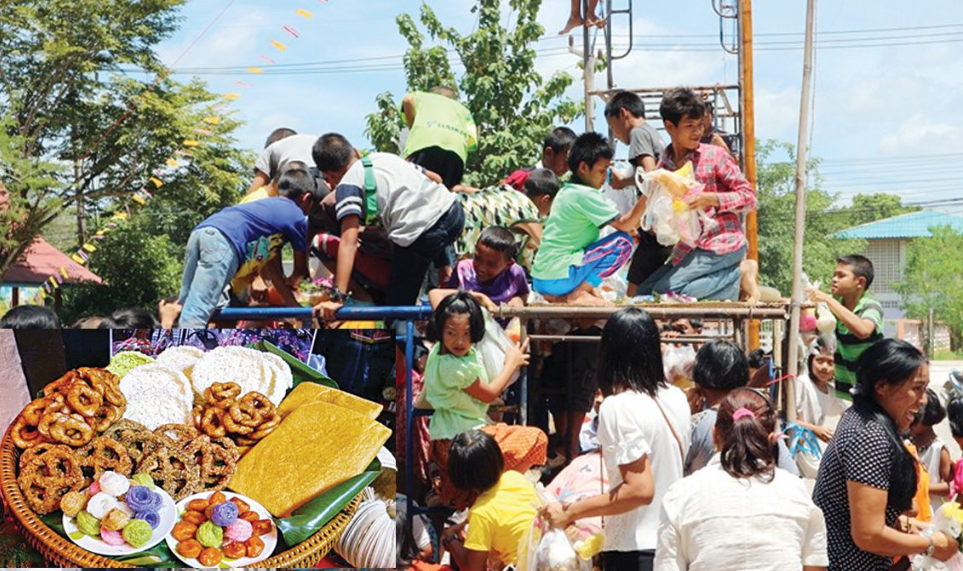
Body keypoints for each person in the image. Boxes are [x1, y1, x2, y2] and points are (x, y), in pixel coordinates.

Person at [542, 308, 690, 571]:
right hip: (674, 544)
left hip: (634, 551)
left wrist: (571, 511)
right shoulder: (677, 398)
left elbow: (639, 489)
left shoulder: (618, 406)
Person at [813, 339, 958, 570]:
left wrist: (900, 524)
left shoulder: (860, 418)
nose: (923, 401)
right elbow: (868, 535)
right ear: (882, 386)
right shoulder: (870, 436)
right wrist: (932, 546)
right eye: (916, 388)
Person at [655, 388, 829, 571]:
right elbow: (815, 566)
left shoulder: (680, 496)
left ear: (715, 435)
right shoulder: (797, 492)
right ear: (772, 439)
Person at [311, 134, 465, 321]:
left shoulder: (347, 185)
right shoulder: (384, 157)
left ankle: (407, 336)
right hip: (454, 213)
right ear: (356, 152)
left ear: (329, 176)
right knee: (429, 228)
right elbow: (436, 178)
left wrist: (338, 297)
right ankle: (444, 276)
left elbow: (348, 242)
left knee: (397, 308)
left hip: (423, 234)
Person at [421, 291, 545, 509]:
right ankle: (496, 495)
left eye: (466, 333)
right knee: (536, 439)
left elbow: (436, 293)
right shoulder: (455, 367)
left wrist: (475, 296)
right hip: (462, 439)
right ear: (441, 329)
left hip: (446, 436)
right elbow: (489, 394)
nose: (459, 341)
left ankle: (465, 494)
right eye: (451, 333)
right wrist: (511, 363)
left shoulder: (441, 350)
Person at [638, 88, 757, 302]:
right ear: (670, 127)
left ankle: (739, 275)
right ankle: (729, 283)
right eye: (690, 126)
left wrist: (712, 199)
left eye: (700, 125)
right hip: (689, 249)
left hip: (722, 243)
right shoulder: (663, 167)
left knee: (664, 293)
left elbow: (749, 197)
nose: (697, 132)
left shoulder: (715, 156)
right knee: (643, 293)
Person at [178, 169, 320, 327]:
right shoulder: (296, 215)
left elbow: (273, 271)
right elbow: (300, 271)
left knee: (187, 303)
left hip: (201, 232)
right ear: (306, 198)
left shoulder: (265, 212)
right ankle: (188, 342)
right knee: (199, 310)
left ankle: (178, 335)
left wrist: (294, 307)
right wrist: (300, 284)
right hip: (224, 241)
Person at [530, 132, 648, 305]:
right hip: (559, 278)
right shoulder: (584, 194)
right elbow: (625, 224)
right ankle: (579, 293)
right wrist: (649, 192)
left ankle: (581, 290)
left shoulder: (566, 191)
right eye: (602, 171)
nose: (605, 176)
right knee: (623, 242)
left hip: (542, 279)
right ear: (584, 168)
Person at [684, 339, 799, 477]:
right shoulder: (759, 418)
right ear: (745, 379)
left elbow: (673, 471)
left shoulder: (697, 424)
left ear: (697, 383)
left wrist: (687, 417)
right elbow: (791, 472)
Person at [603, 91, 673, 297]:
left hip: (654, 226)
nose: (615, 134)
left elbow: (651, 175)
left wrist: (641, 217)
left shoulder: (637, 134)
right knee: (645, 284)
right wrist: (624, 182)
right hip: (664, 224)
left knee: (634, 289)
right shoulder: (652, 132)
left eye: (613, 126)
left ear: (623, 113)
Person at [440, 430, 539, 571]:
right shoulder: (514, 478)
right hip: (543, 557)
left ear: (460, 478)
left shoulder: (481, 513)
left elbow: (474, 569)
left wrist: (450, 540)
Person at [807, 254, 884, 400]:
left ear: (860, 282)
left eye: (841, 275)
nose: (834, 279)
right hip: (848, 389)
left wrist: (827, 299)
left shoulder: (871, 306)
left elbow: (863, 330)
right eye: (834, 275)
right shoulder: (834, 304)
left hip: (873, 389)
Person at [402, 86, 477, 190]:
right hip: (456, 152)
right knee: (446, 190)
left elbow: (408, 100)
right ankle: (475, 191)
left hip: (424, 145)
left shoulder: (423, 97)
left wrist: (412, 126)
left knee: (413, 183)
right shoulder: (465, 111)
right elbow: (470, 141)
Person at [442, 227, 529, 310]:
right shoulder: (462, 270)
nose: (482, 268)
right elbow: (446, 296)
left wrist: (518, 300)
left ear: (508, 265)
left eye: (491, 264)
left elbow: (525, 294)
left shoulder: (514, 273)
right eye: (477, 258)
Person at [794, 334, 849, 443]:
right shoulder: (802, 383)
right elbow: (787, 419)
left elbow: (847, 414)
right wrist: (814, 429)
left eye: (830, 363)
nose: (824, 367)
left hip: (810, 450)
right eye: (819, 361)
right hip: (795, 449)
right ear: (811, 361)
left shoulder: (831, 392)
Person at [246, 129, 320, 197]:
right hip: (321, 181)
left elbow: (251, 197)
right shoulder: (314, 141)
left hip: (298, 186)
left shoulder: (271, 149)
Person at [910, 389, 951, 511]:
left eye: (915, 416)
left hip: (930, 511)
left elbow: (949, 486)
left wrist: (922, 487)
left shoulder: (938, 449)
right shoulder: (908, 442)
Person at [505, 127, 577, 190]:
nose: (568, 167)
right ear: (549, 153)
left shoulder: (559, 188)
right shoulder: (522, 177)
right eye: (566, 161)